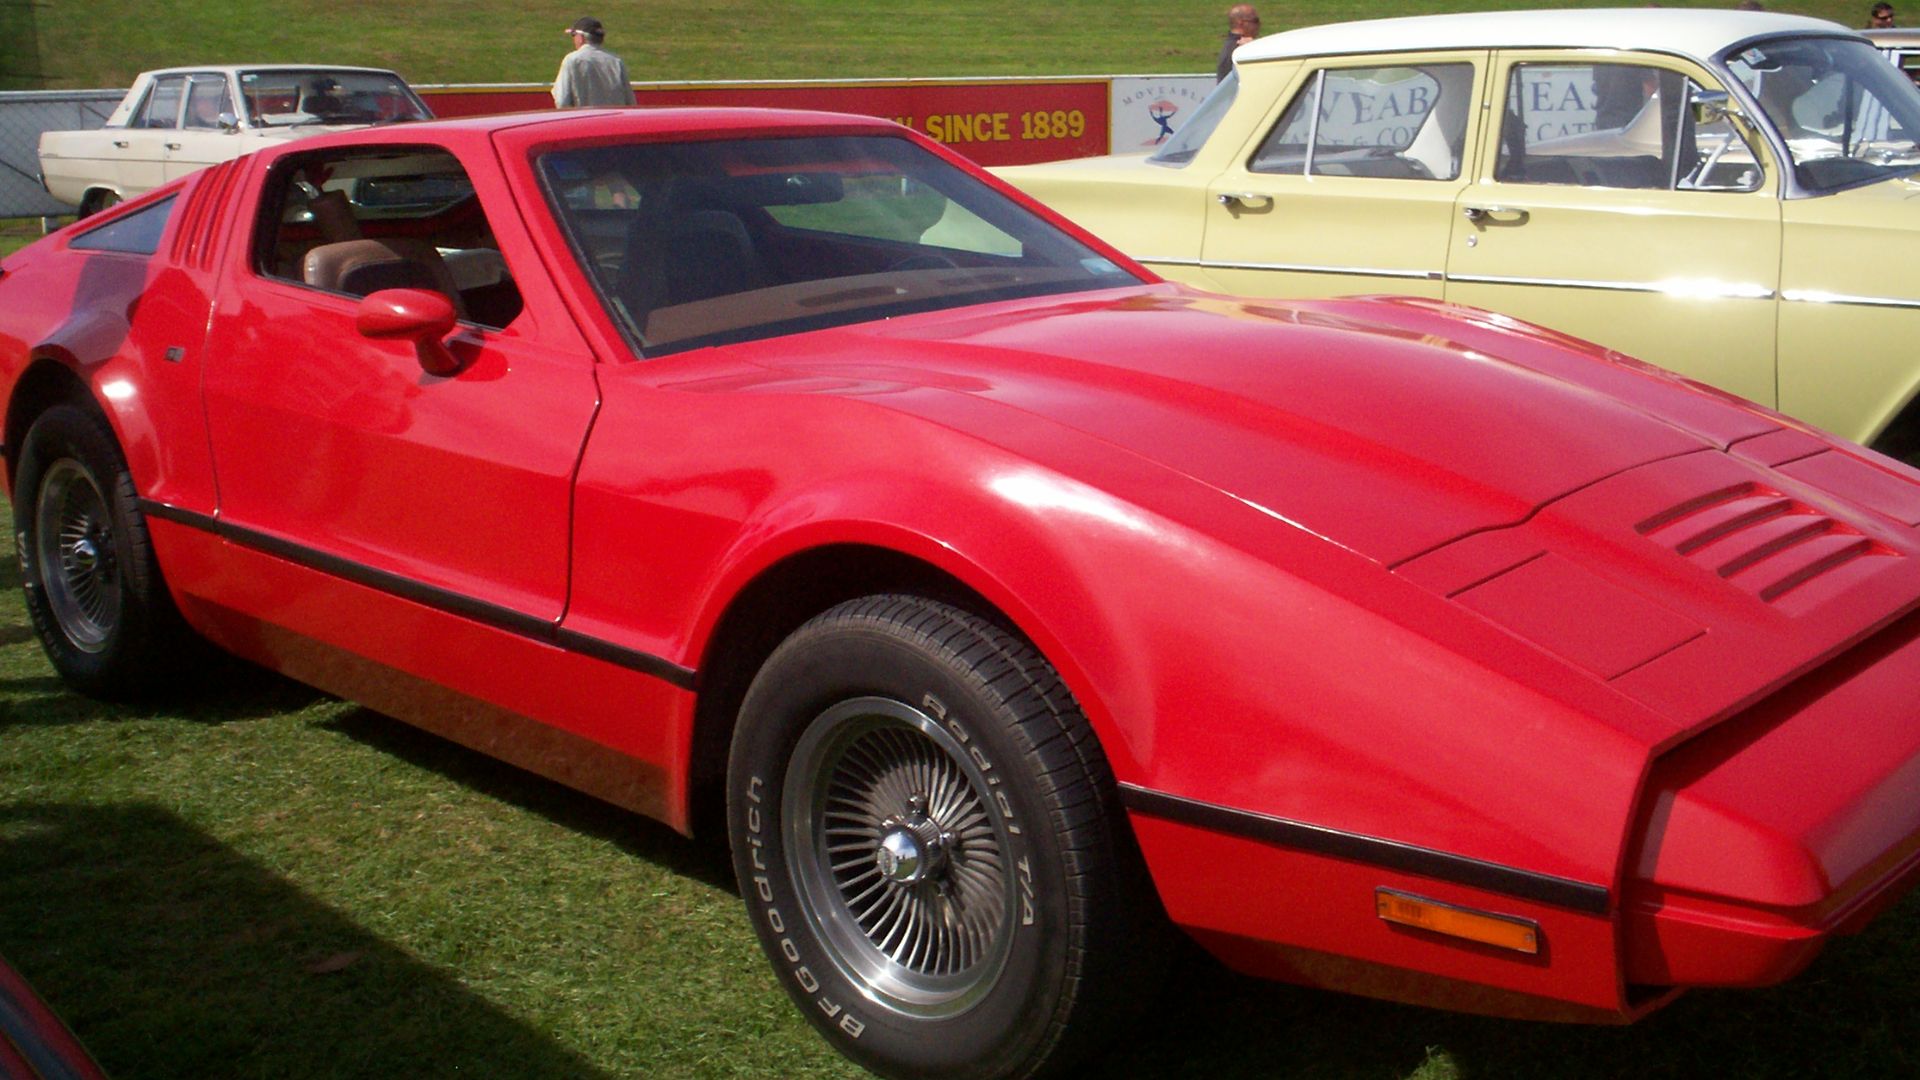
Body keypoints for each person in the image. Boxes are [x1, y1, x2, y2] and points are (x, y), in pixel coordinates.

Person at [553, 16, 633, 108]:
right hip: (614, 116)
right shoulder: (616, 61)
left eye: (573, 35)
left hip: (585, 116)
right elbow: (630, 101)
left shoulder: (572, 60)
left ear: (581, 38)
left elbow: (562, 100)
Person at [1216, 5, 1260, 82]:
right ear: (1240, 22)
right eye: (1255, 21)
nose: (1259, 25)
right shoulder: (1240, 49)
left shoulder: (1229, 46)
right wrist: (1255, 48)